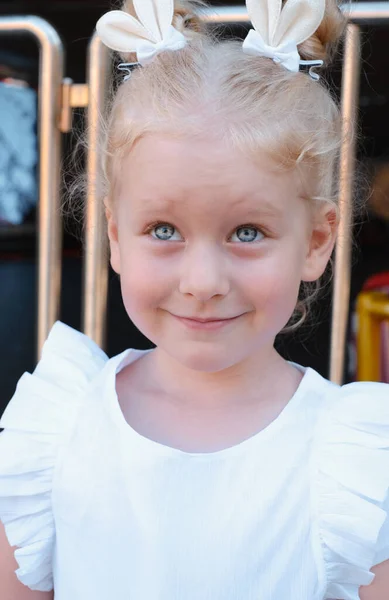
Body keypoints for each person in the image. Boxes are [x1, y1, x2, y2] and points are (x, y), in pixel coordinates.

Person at [1, 0, 388, 598]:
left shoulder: (352, 462)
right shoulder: (55, 431)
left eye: (247, 233)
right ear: (113, 236)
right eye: (163, 230)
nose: (202, 280)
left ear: (316, 242)